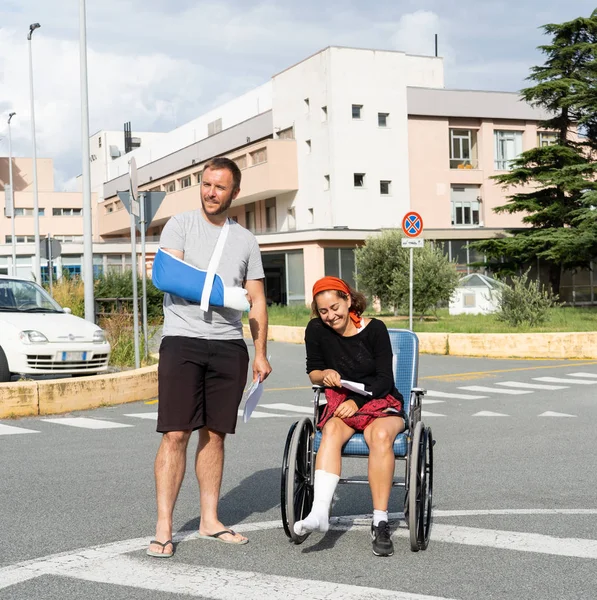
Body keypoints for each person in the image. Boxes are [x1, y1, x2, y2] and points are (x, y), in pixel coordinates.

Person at [147, 157, 272, 558]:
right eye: (206, 184)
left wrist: (261, 353)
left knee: (215, 434)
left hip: (228, 344)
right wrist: (220, 293)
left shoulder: (246, 240)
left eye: (220, 187)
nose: (211, 192)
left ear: (235, 192)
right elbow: (166, 276)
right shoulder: (180, 225)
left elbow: (256, 300)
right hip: (183, 339)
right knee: (176, 433)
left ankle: (209, 520)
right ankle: (164, 526)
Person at [294, 276, 405, 557]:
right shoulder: (316, 330)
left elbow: (385, 379)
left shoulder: (375, 329)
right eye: (323, 311)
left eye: (335, 307)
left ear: (348, 300)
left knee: (379, 436)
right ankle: (319, 511)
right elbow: (313, 370)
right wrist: (325, 375)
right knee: (330, 431)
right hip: (342, 401)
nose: (331, 316)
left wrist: (357, 401)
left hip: (380, 401)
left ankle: (380, 521)